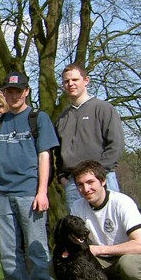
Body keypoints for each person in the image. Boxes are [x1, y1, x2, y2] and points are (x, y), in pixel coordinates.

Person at [0, 71, 59, 280]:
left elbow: (44, 156)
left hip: (29, 193)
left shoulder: (38, 119)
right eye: (9, 91)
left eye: (18, 91)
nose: (13, 96)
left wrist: (42, 191)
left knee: (36, 246)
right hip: (3, 194)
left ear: (26, 92)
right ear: (4, 93)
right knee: (8, 249)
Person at [70, 160, 141, 280]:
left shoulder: (122, 203)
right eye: (80, 185)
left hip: (132, 259)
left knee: (128, 263)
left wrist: (99, 249)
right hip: (100, 262)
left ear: (103, 181)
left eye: (90, 182)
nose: (86, 189)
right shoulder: (77, 206)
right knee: (57, 266)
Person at [55, 63, 124, 210]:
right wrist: (62, 178)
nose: (70, 84)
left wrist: (98, 174)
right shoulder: (62, 118)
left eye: (75, 79)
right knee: (78, 223)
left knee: (109, 221)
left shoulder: (103, 108)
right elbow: (58, 153)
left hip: (102, 179)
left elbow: (115, 145)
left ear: (86, 81)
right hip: (73, 184)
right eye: (66, 81)